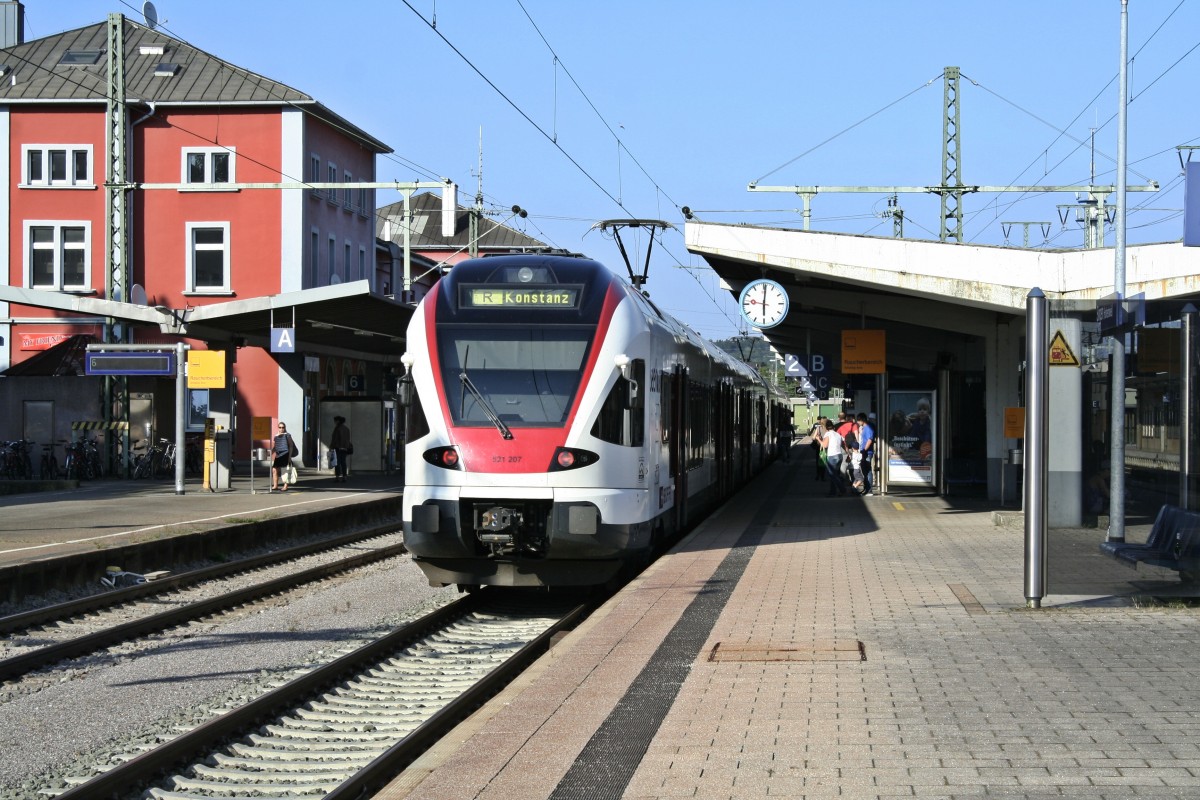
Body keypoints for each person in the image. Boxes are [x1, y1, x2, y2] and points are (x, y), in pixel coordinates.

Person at [820, 418, 848, 497]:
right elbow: (843, 444)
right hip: (839, 455)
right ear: (833, 427)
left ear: (826, 427)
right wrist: (848, 453)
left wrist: (819, 439)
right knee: (835, 474)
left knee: (832, 475)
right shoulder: (838, 434)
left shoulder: (828, 434)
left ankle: (843, 489)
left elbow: (824, 445)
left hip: (832, 456)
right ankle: (833, 492)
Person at [271, 421, 298, 492]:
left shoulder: (287, 435)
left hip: (285, 454)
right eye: (280, 427)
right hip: (278, 455)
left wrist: (289, 457)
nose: (281, 429)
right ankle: (275, 485)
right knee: (274, 470)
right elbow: (275, 446)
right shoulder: (276, 436)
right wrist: (271, 452)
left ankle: (285, 486)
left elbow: (291, 446)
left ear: (285, 428)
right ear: (278, 428)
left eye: (283, 427)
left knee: (285, 471)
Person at [855, 412, 876, 495]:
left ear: (863, 420)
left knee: (867, 471)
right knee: (865, 471)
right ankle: (866, 488)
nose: (858, 422)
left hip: (867, 452)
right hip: (864, 451)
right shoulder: (864, 428)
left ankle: (869, 489)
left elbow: (870, 440)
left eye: (859, 421)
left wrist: (864, 450)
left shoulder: (868, 428)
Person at [329, 415, 351, 483]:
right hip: (345, 448)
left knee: (337, 463)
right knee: (343, 462)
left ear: (338, 421)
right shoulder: (347, 429)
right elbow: (348, 439)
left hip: (338, 447)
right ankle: (344, 476)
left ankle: (337, 477)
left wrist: (331, 446)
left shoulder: (337, 428)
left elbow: (335, 439)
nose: (334, 422)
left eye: (335, 421)